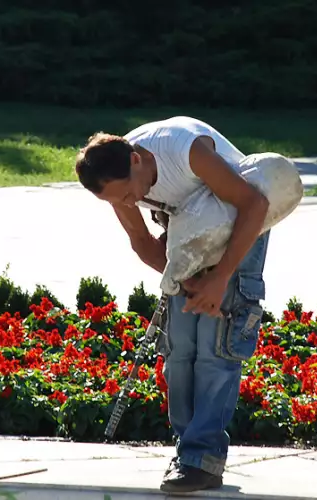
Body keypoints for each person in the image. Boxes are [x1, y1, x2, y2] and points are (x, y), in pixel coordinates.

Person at [75, 116, 271, 493]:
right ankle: (187, 455)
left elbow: (255, 204)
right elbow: (142, 242)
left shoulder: (187, 151)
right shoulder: (118, 176)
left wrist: (220, 278)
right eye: (116, 201)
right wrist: (188, 283)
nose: (129, 203)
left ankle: (203, 460)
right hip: (187, 231)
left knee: (216, 349)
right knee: (180, 352)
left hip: (241, 226)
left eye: (128, 194)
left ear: (137, 160)